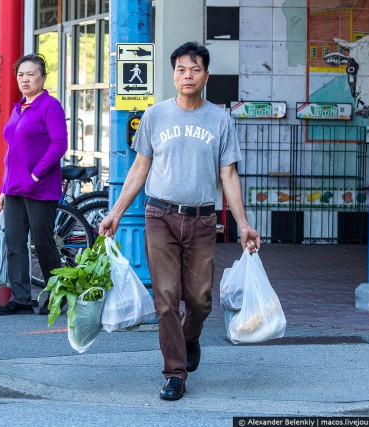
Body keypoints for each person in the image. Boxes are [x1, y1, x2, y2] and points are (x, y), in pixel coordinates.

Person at [98, 41, 260, 401]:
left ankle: (190, 338)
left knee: (200, 300)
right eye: (181, 70)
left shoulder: (219, 119)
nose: (188, 76)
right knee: (166, 299)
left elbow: (229, 175)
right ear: (173, 75)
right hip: (161, 216)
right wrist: (116, 213)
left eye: (195, 69)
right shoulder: (156, 115)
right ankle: (175, 372)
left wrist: (244, 224)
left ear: (206, 75)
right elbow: (140, 168)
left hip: (202, 220)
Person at [0, 53, 68, 316]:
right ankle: (21, 298)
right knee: (14, 242)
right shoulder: (18, 108)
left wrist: (36, 175)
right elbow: (11, 151)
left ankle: (58, 297)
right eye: (20, 75)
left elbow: (60, 144)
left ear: (43, 77)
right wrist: (3, 188)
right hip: (13, 188)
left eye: (31, 74)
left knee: (43, 242)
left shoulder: (50, 106)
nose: (24, 79)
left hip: (41, 188)